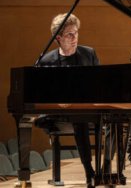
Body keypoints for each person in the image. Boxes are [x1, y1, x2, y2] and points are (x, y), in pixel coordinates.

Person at [38, 13, 99, 188]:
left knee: (113, 120)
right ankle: (89, 172)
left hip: (86, 110)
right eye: (69, 35)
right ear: (58, 38)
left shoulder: (89, 54)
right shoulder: (47, 61)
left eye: (76, 33)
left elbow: (99, 84)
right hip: (58, 114)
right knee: (79, 120)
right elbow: (42, 93)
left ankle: (106, 169)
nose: (74, 38)